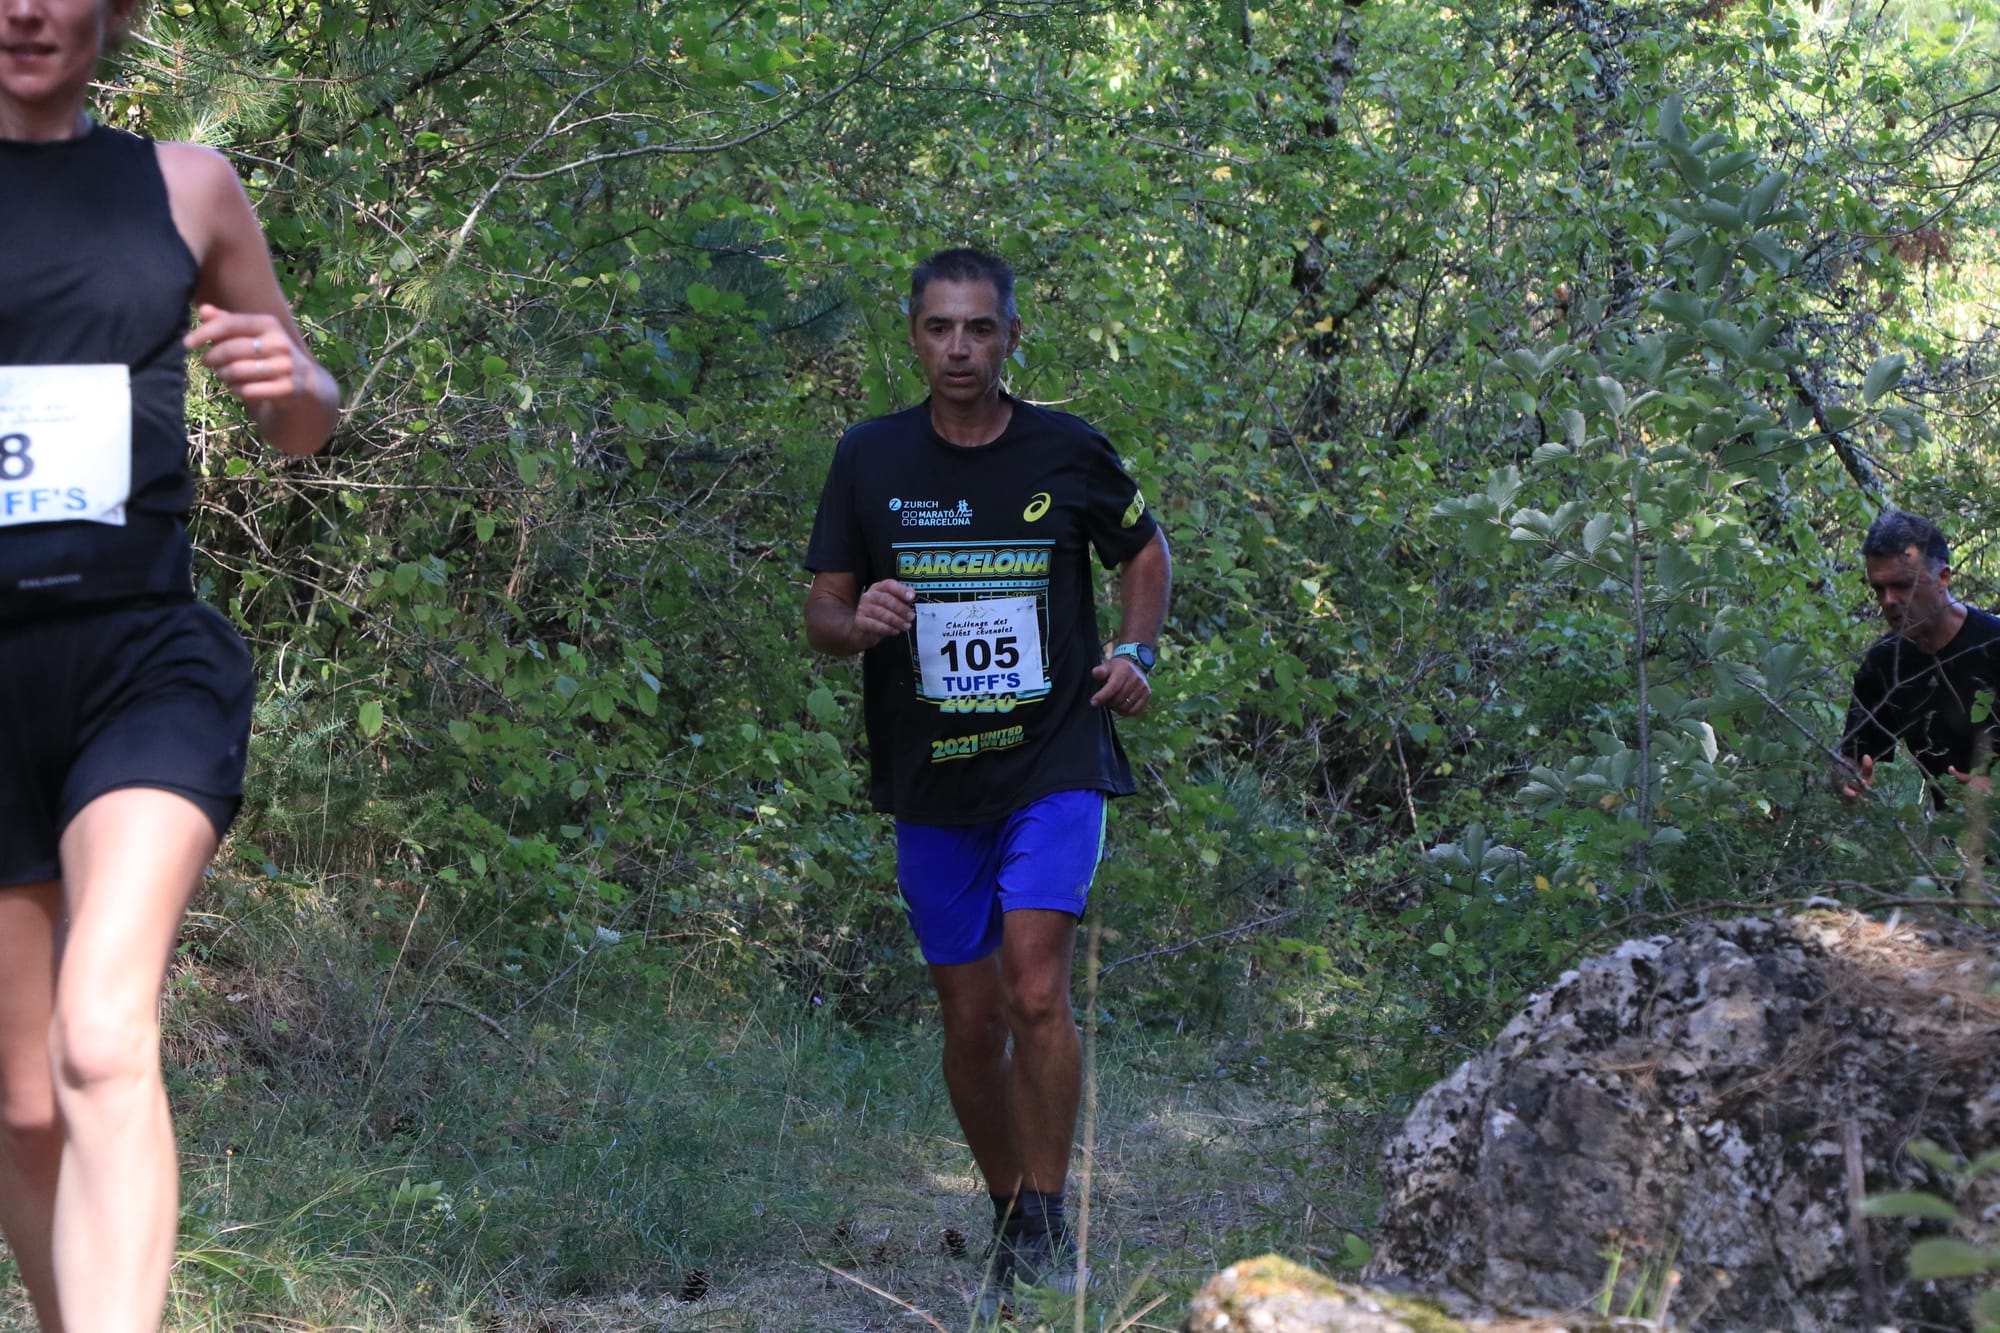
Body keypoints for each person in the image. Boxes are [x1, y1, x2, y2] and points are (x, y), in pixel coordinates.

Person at [0, 1, 340, 1327]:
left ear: (110, 14)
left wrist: (291, 376)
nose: (26, 9)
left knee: (98, 1034)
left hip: (141, 658)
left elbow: (301, 421)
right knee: (23, 1105)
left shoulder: (184, 185)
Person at [802, 248, 1169, 1307]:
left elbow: (1143, 554)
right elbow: (823, 613)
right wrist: (855, 618)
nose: (957, 347)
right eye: (937, 328)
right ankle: (1010, 1205)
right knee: (970, 1020)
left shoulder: (1067, 448)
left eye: (977, 328)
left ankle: (1050, 1218)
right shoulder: (869, 457)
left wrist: (1134, 653)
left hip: (1053, 755)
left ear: (1010, 336)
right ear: (911, 336)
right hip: (929, 776)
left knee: (1035, 987)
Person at [1838, 510, 2000, 807]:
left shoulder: (1994, 644)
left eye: (1902, 585)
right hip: (1955, 844)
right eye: (1879, 588)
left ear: (1943, 578)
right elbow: (1853, 755)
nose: (1888, 600)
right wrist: (1846, 780)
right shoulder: (1885, 662)